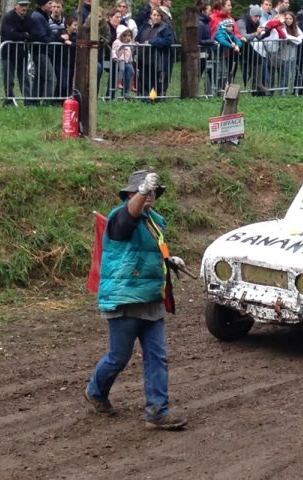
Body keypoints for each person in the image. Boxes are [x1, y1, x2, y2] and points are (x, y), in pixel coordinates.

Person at [85, 170, 187, 431]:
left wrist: (168, 260)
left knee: (158, 357)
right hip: (125, 299)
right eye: (142, 190)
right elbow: (127, 222)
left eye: (152, 190)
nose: (149, 194)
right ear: (130, 194)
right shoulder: (119, 217)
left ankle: (158, 411)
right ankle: (96, 391)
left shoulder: (155, 221)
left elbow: (145, 252)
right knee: (119, 357)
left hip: (151, 298)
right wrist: (142, 190)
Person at [0, 0, 32, 105]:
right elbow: (10, 34)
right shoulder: (8, 17)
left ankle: (28, 101)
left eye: (26, 5)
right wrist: (25, 35)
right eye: (22, 5)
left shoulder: (28, 18)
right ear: (16, 5)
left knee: (25, 78)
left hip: (21, 53)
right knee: (9, 79)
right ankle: (9, 100)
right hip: (8, 53)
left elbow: (32, 33)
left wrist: (25, 35)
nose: (24, 8)